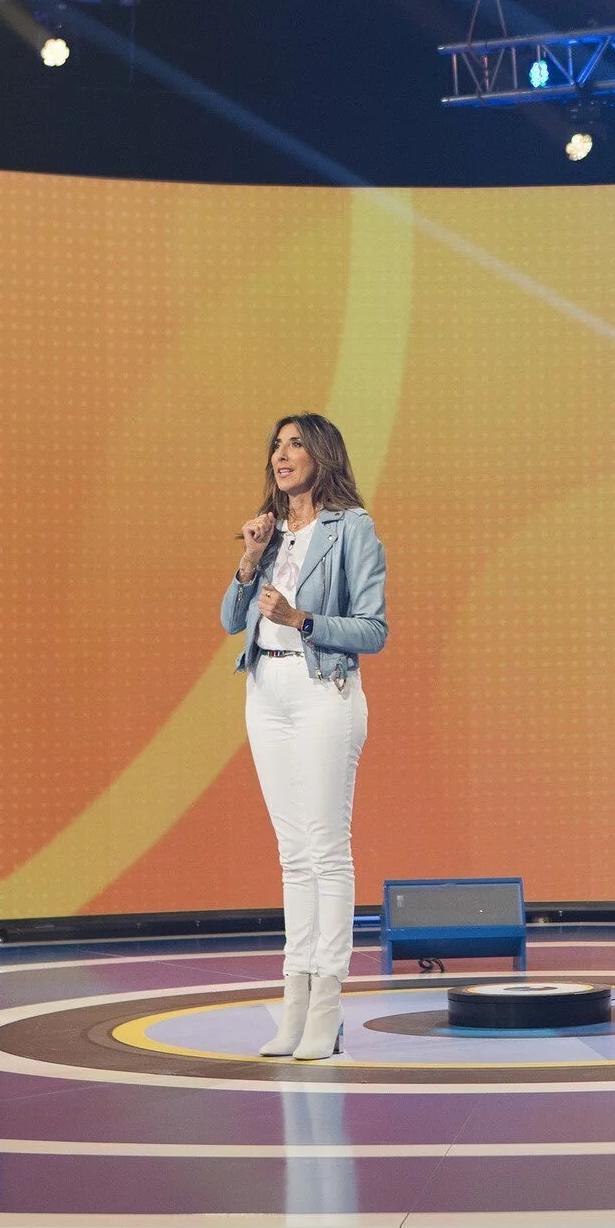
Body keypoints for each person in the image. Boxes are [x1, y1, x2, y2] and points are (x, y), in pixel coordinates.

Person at [221, 414, 387, 1061]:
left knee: (325, 851)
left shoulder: (352, 528)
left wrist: (303, 618)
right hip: (266, 692)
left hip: (324, 691)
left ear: (322, 455)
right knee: (292, 855)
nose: (281, 454)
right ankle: (293, 1005)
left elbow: (373, 628)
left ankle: (326, 1007)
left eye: (295, 444)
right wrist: (249, 558)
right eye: (277, 445)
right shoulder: (269, 533)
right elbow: (230, 621)